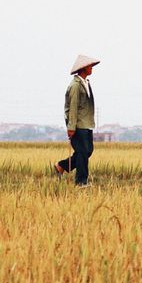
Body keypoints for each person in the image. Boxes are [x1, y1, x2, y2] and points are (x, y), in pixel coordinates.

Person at [56, 54, 99, 187]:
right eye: (89, 66)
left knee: (87, 151)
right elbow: (73, 107)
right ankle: (81, 182)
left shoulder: (85, 83)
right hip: (78, 124)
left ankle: (62, 166)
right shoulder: (75, 86)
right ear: (83, 68)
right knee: (82, 153)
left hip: (87, 124)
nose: (91, 68)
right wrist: (71, 127)